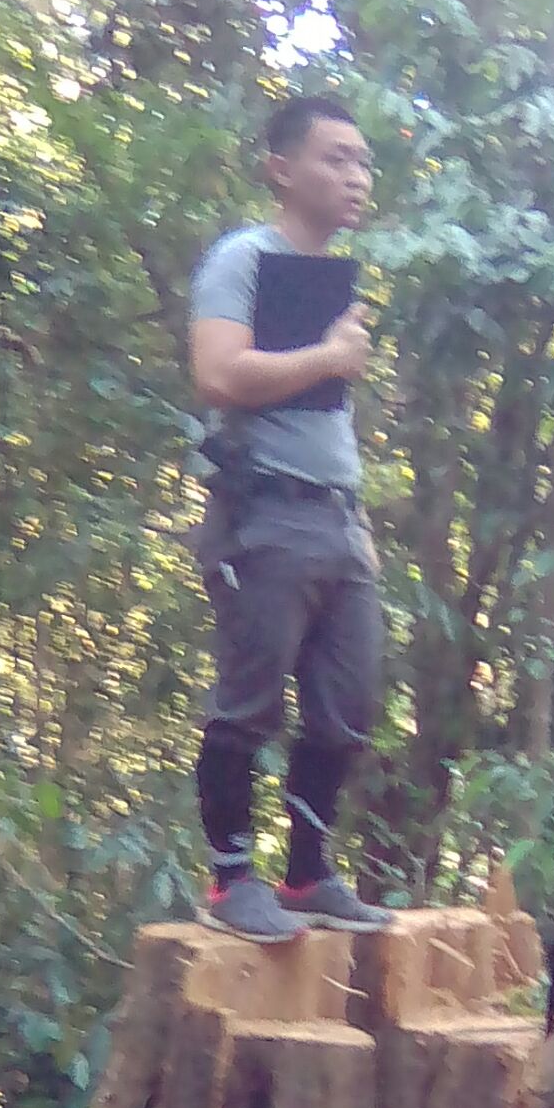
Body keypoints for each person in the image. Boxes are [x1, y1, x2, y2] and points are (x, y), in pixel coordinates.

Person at [188, 93, 396, 943]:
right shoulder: (242, 259)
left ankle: (308, 875)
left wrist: (356, 518)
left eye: (363, 162)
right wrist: (329, 356)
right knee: (247, 705)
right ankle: (231, 880)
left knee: (348, 705)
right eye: (335, 158)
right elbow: (218, 375)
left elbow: (321, 406)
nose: (356, 176)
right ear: (281, 170)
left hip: (337, 521)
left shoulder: (326, 282)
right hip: (264, 514)